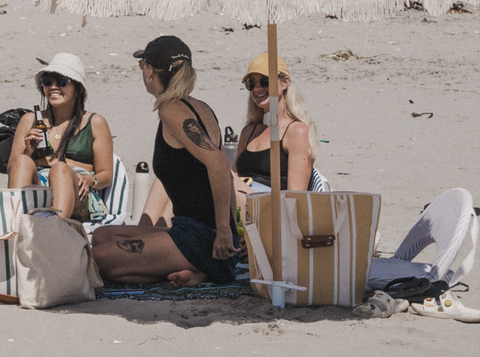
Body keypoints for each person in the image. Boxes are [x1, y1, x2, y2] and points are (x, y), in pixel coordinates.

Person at [92, 36, 240, 287]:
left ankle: (202, 268)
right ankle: (197, 272)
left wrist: (224, 232)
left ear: (150, 71)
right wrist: (231, 231)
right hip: (193, 231)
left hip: (203, 240)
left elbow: (219, 164)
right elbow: (218, 169)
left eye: (142, 66)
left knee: (95, 261)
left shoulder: (170, 109)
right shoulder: (200, 106)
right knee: (101, 235)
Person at [8, 53, 113, 221]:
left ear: (78, 89)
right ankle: (13, 225)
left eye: (62, 81)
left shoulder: (95, 123)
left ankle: (55, 231)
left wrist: (91, 179)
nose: (54, 87)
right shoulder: (29, 120)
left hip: (78, 193)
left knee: (60, 169)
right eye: (48, 81)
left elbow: (106, 174)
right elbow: (12, 168)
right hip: (39, 187)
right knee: (21, 162)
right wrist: (28, 152)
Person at [233, 53, 319, 193]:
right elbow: (235, 177)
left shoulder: (296, 131)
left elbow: (295, 195)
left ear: (285, 82)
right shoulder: (249, 131)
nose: (257, 88)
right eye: (251, 83)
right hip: (243, 207)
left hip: (273, 209)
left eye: (264, 81)